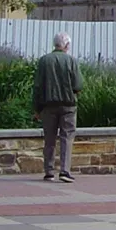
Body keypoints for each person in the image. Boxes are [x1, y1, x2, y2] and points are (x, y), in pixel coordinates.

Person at [33, 32, 83, 181]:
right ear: (66, 45)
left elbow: (37, 87)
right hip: (68, 106)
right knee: (67, 138)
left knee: (49, 139)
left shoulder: (44, 61)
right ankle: (64, 171)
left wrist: (36, 109)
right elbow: (78, 85)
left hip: (48, 106)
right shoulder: (72, 61)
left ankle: (49, 171)